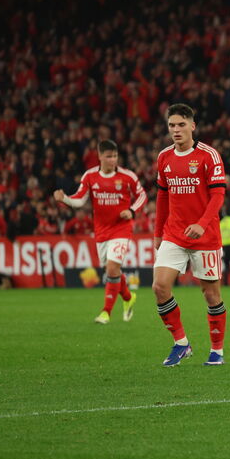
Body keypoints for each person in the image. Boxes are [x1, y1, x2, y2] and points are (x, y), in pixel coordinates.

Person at [152, 104, 229, 367]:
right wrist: (158, 232)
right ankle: (181, 343)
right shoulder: (164, 157)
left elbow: (218, 194)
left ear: (192, 126)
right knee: (160, 287)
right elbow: (162, 196)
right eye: (172, 125)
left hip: (205, 236)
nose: (176, 130)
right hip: (174, 233)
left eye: (181, 124)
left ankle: (217, 350)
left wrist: (202, 223)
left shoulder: (209, 155)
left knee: (211, 295)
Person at [54, 139, 146, 324]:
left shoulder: (128, 176)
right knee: (112, 271)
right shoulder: (90, 176)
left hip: (121, 228)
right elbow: (80, 200)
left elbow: (142, 195)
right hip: (102, 231)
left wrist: (132, 211)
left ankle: (106, 312)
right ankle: (128, 298)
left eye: (115, 156)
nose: (113, 160)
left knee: (112, 268)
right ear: (100, 156)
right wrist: (65, 198)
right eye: (109, 156)